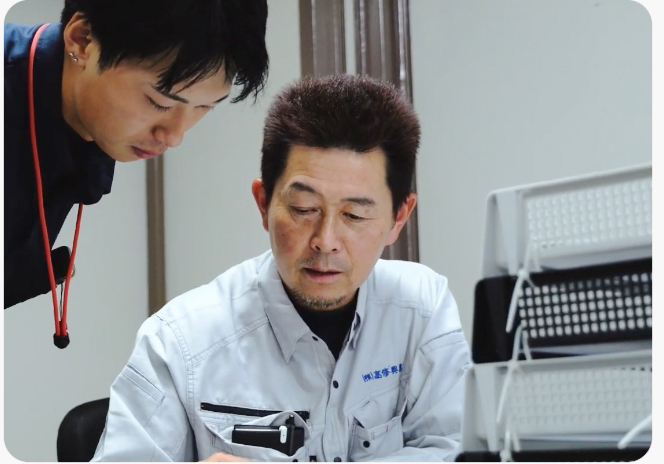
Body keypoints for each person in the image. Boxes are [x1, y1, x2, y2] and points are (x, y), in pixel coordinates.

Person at [92, 74, 471, 462]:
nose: (325, 240)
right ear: (263, 204)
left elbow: (455, 450)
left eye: (355, 215)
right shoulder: (179, 342)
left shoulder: (421, 311)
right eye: (304, 209)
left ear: (398, 217)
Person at [4, 0, 269, 309]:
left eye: (204, 107)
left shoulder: (86, 125)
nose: (174, 136)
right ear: (83, 39)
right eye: (159, 102)